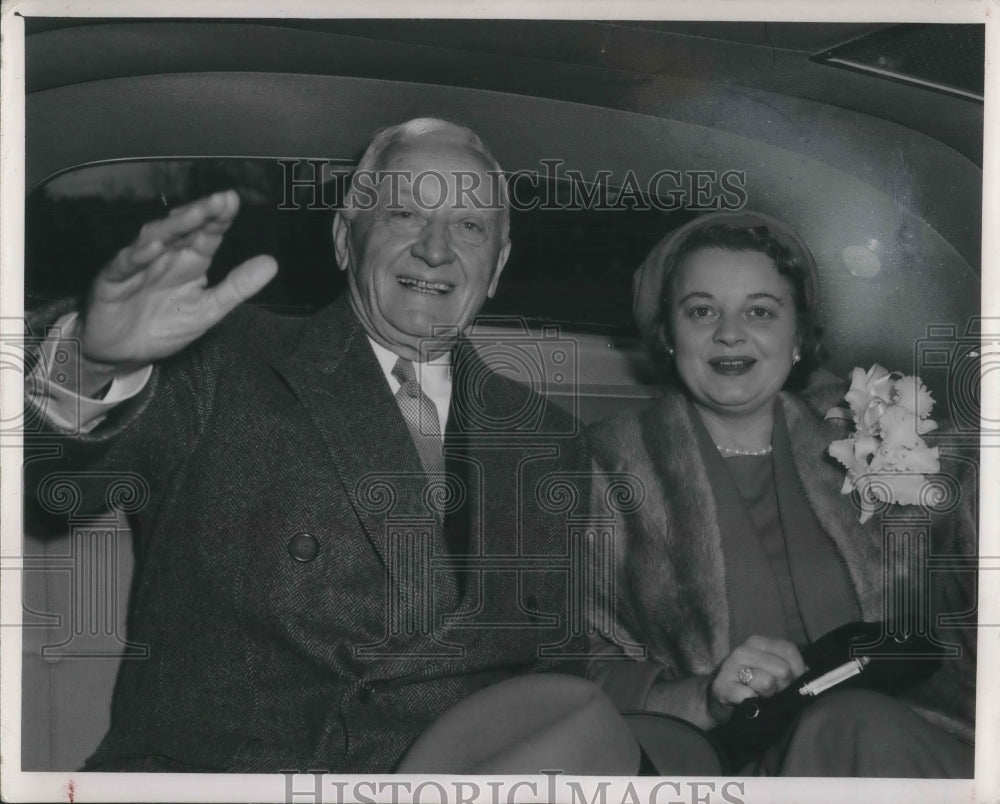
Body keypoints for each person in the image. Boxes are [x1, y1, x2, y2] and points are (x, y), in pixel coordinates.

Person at [24, 118, 593, 772]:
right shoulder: (222, 364)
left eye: (469, 227)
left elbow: (558, 687)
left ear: (497, 265)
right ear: (343, 238)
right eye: (404, 212)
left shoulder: (548, 439)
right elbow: (51, 482)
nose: (435, 250)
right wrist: (87, 363)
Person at [585, 211, 977, 776]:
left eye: (760, 311)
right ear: (669, 337)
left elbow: (972, 566)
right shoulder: (606, 468)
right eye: (701, 311)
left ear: (799, 337)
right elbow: (574, 667)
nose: (729, 331)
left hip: (910, 748)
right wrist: (704, 698)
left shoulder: (875, 429)